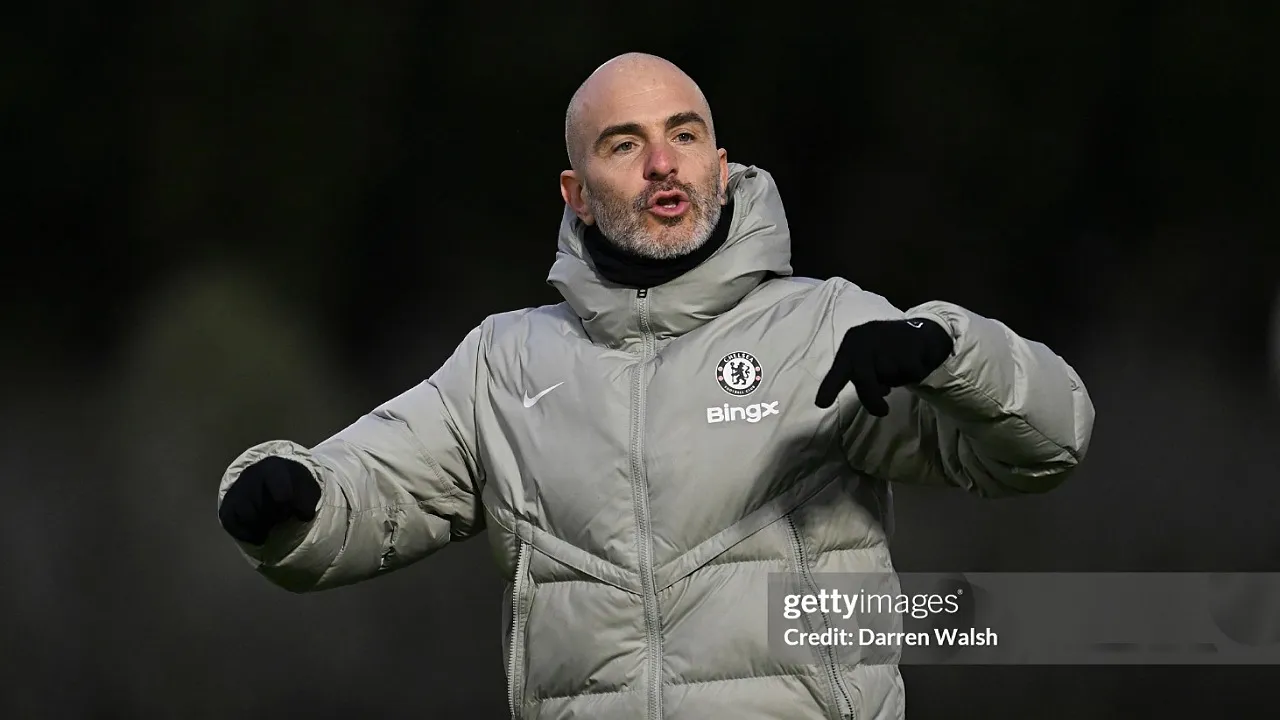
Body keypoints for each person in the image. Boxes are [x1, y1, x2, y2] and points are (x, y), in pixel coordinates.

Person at [216, 52, 1095, 719]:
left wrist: (951, 354)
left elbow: (1047, 446)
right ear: (579, 192)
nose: (662, 163)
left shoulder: (826, 325)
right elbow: (367, 490)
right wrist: (291, 500)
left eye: (684, 135)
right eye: (624, 144)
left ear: (720, 164)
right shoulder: (504, 363)